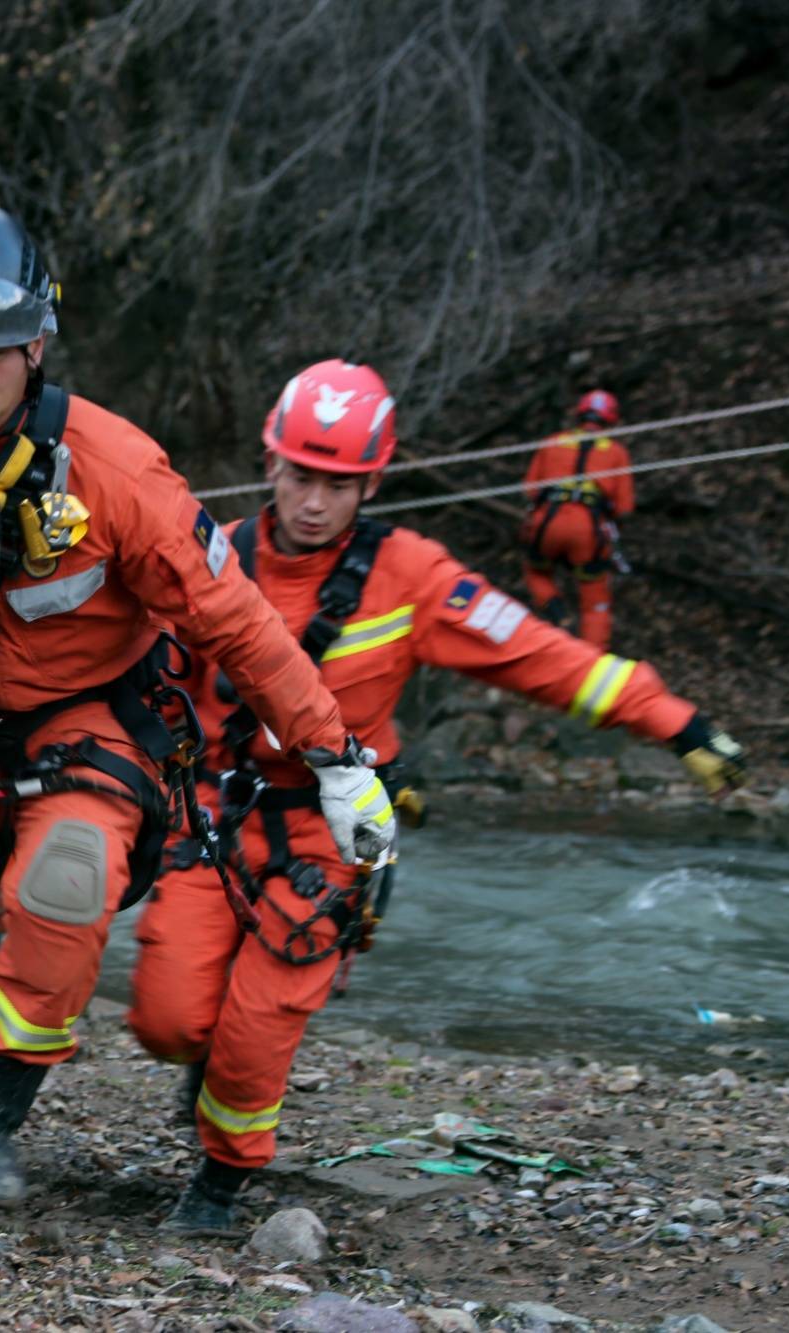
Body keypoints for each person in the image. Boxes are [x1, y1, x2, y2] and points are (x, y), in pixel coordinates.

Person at [0, 202, 394, 1240]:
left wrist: (333, 758)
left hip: (86, 720)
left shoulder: (115, 470)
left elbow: (235, 622)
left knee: (66, 878)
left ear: (34, 344)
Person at [129, 360, 747, 1235]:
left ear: (372, 481)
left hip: (330, 834)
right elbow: (143, 676)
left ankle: (220, 1185)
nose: (313, 502)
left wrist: (678, 723)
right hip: (214, 816)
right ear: (271, 465)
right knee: (166, 1017)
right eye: (301, 476)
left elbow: (541, 653)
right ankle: (208, 1061)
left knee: (257, 1030)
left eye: (338, 484)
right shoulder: (212, 556)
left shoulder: (413, 575)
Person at [521, 389, 635, 645]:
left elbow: (530, 489)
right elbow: (624, 507)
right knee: (594, 597)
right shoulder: (616, 452)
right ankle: (592, 660)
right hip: (588, 529)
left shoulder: (552, 442)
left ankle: (559, 614)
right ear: (611, 420)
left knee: (536, 571)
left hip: (547, 523)